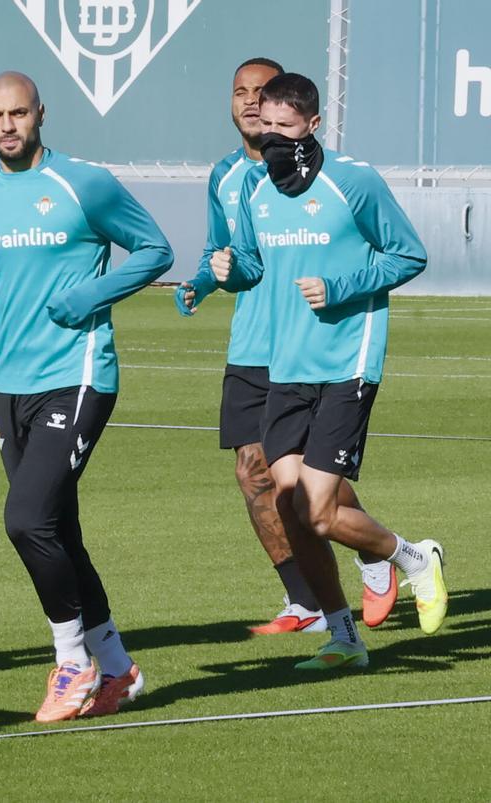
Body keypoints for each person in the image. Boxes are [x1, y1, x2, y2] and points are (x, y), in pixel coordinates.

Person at [0, 72, 173, 720]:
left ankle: (72, 663)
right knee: (58, 529)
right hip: (11, 386)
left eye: (17, 113)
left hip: (80, 374)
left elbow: (155, 248)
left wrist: (90, 295)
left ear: (40, 113)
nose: (6, 125)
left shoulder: (83, 183)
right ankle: (119, 670)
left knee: (25, 518)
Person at [210, 72, 447, 670]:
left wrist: (339, 287)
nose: (272, 141)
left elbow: (409, 254)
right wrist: (227, 270)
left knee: (318, 510)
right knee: (291, 507)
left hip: (347, 362)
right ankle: (344, 637)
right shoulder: (254, 190)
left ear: (313, 126)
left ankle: (413, 558)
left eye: (284, 129)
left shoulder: (355, 182)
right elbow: (254, 266)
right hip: (285, 365)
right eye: (265, 129)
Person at [177, 59, 399, 634]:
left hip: (311, 345)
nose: (252, 105)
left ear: (299, 115)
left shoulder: (342, 180)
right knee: (255, 474)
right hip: (253, 344)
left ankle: (375, 550)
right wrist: (204, 281)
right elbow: (224, 252)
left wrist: (339, 289)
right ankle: (308, 602)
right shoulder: (230, 178)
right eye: (241, 93)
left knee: (302, 489)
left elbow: (402, 253)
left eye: (263, 96)